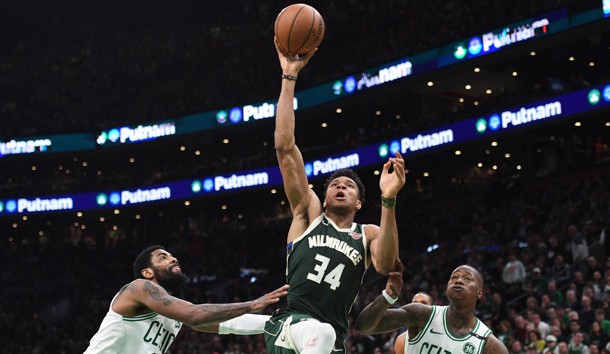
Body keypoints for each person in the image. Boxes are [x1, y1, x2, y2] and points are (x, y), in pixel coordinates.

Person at [264, 38, 407, 354]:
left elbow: (384, 264)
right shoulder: (309, 213)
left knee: (326, 337)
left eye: (349, 186)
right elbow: (285, 147)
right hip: (291, 324)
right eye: (334, 185)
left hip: (332, 338)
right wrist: (289, 77)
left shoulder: (366, 233)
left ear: (358, 203)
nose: (341, 187)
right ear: (325, 198)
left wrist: (389, 198)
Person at [84, 245, 289, 353]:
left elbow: (229, 324)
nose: (173, 259)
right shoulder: (140, 287)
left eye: (171, 256)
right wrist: (252, 304)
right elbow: (193, 314)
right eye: (162, 258)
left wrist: (280, 323)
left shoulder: (171, 314)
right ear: (147, 272)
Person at [354, 265, 509, 354]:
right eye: (454, 277)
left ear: (479, 293)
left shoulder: (489, 345)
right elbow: (363, 326)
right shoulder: (422, 315)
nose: (459, 281)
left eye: (467, 279)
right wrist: (387, 297)